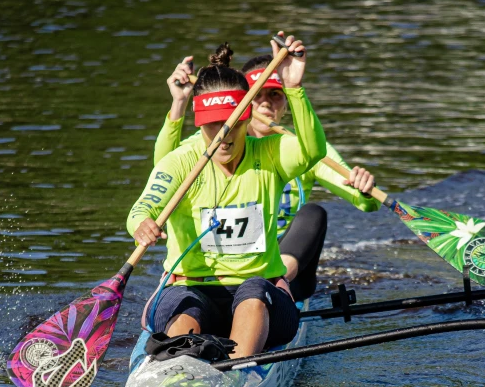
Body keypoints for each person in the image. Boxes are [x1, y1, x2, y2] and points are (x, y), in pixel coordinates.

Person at [127, 33, 327, 359]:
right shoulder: (181, 161)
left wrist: (294, 88)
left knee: (253, 294)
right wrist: (142, 224)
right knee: (186, 310)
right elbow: (143, 207)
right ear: (198, 122)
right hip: (191, 286)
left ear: (246, 118)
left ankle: (237, 372)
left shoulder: (272, 153)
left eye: (231, 124)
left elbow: (313, 150)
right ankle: (177, 369)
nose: (222, 137)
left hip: (259, 292)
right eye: (212, 125)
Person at [153, 53, 380, 302]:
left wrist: (364, 189)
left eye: (275, 95)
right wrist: (178, 105)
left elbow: (365, 203)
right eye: (257, 95)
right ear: (243, 103)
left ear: (285, 103)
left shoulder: (299, 148)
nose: (265, 105)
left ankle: (277, 285)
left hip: (281, 263)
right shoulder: (213, 145)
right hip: (217, 268)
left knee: (313, 212)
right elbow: (164, 172)